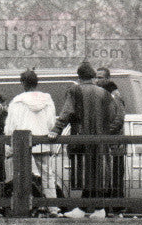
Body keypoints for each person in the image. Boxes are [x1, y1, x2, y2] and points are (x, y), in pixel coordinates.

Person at [52, 61, 122, 216]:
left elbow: (67, 112)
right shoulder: (104, 93)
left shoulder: (74, 91)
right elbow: (113, 114)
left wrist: (56, 130)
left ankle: (85, 208)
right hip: (101, 140)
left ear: (79, 76)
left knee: (84, 174)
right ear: (92, 76)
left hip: (81, 139)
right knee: (98, 173)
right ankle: (98, 209)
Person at [5, 69, 60, 215]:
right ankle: (52, 206)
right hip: (42, 142)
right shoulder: (47, 100)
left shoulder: (16, 101)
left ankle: (24, 206)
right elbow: (51, 123)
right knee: (48, 175)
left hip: (22, 145)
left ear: (22, 83)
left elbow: (10, 126)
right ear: (36, 83)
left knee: (22, 176)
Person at [97, 70, 127, 213]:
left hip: (115, 144)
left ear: (108, 78)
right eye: (96, 77)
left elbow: (119, 118)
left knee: (115, 177)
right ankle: (110, 208)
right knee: (108, 177)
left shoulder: (115, 95)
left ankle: (116, 209)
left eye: (100, 77)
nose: (97, 80)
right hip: (111, 143)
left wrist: (105, 132)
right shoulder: (105, 94)